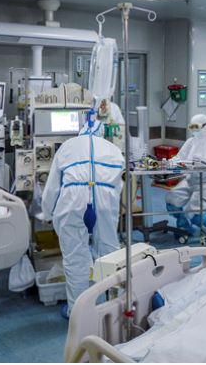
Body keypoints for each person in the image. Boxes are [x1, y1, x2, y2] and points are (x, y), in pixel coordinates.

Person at [40, 111, 124, 319]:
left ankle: (78, 314)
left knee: (75, 258)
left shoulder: (68, 146)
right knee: (108, 255)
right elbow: (118, 187)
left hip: (73, 201)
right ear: (102, 133)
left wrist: (47, 213)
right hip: (104, 200)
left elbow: (52, 187)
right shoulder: (114, 151)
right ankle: (109, 309)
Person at [166, 114, 206, 242]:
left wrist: (189, 165)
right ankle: (184, 227)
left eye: (197, 127)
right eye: (192, 127)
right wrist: (169, 163)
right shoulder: (191, 142)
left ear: (205, 126)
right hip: (191, 180)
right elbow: (180, 157)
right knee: (172, 200)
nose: (194, 130)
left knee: (195, 213)